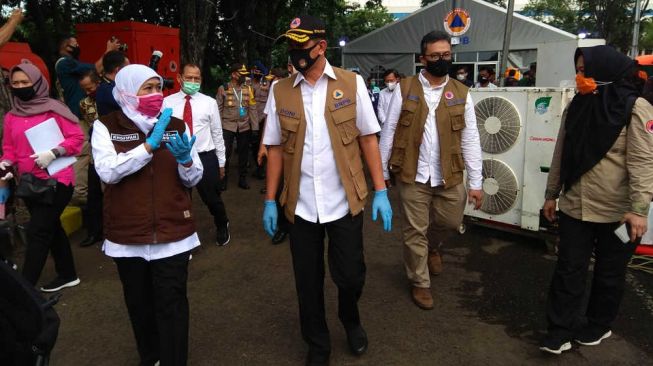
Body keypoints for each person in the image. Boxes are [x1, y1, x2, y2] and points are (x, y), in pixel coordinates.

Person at [262, 15, 393, 366]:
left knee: (350, 277)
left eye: (301, 46)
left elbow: (368, 137)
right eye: (290, 45)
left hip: (343, 202)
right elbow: (274, 147)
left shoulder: (351, 84)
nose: (294, 53)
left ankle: (350, 319)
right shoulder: (280, 91)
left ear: (321, 47)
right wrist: (270, 200)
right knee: (308, 283)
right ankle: (317, 344)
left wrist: (380, 190)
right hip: (301, 206)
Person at [539, 46, 653, 355]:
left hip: (618, 212)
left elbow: (643, 163)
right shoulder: (577, 105)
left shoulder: (635, 108)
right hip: (576, 204)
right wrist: (552, 195)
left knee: (609, 272)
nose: (579, 77)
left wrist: (639, 210)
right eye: (577, 70)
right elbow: (560, 152)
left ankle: (599, 324)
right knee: (568, 269)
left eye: (585, 71)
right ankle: (559, 329)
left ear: (605, 72)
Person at [91, 64, 203, 366]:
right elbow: (108, 172)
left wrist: (187, 161)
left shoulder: (176, 125)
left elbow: (193, 179)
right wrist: (148, 147)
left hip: (173, 234)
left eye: (158, 88)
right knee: (139, 305)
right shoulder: (106, 126)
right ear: (126, 91)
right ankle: (151, 357)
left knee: (173, 304)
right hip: (128, 236)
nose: (156, 95)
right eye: (147, 88)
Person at [379, 30, 483, 310]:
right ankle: (419, 282)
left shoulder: (462, 93)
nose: (441, 60)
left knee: (450, 221)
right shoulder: (405, 88)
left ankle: (432, 247)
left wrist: (476, 182)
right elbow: (388, 131)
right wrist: (382, 173)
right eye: (435, 55)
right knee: (415, 229)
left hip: (449, 173)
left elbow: (471, 137)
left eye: (446, 55)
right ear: (423, 58)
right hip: (412, 172)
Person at [0, 62, 84, 291]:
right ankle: (67, 274)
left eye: (25, 82)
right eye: (15, 83)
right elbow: (9, 148)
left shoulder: (54, 109)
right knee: (51, 227)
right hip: (29, 184)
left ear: (37, 83)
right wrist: (6, 162)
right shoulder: (11, 116)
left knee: (38, 232)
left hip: (57, 181)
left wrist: (54, 152)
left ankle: (24, 292)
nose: (20, 87)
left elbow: (77, 140)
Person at [163, 63, 230, 246]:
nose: (193, 81)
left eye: (197, 78)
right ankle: (185, 237)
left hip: (205, 156)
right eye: (189, 77)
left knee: (212, 198)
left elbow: (217, 133)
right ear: (179, 78)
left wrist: (221, 162)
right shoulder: (167, 103)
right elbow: (162, 132)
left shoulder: (209, 103)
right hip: (177, 158)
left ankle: (222, 224)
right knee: (181, 200)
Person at [79, 50, 129, 247]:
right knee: (110, 193)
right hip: (111, 147)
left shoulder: (111, 87)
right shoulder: (109, 91)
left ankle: (103, 231)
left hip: (114, 146)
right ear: (118, 70)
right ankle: (111, 233)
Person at [257, 67, 290, 245]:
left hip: (304, 150)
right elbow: (270, 119)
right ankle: (283, 226)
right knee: (280, 187)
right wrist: (263, 146)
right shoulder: (278, 87)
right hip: (282, 146)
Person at [55, 36, 120, 117]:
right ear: (68, 47)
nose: (78, 46)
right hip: (78, 111)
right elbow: (96, 69)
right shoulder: (64, 63)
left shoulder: (72, 62)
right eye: (76, 44)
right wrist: (109, 50)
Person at [216, 64, 258, 190]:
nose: (244, 77)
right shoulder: (223, 88)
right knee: (225, 153)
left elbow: (252, 109)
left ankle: (242, 179)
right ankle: (223, 179)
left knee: (244, 154)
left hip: (244, 126)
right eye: (241, 74)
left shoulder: (248, 89)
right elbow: (218, 109)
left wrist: (255, 128)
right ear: (234, 74)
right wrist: (217, 128)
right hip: (227, 126)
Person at [71, 69, 100, 207]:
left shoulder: (111, 97)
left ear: (98, 82)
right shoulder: (84, 104)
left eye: (90, 88)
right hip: (95, 145)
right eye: (85, 90)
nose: (88, 92)